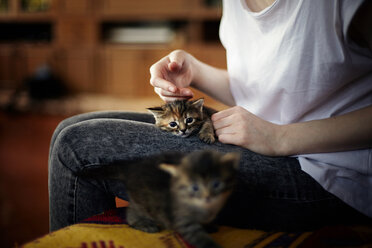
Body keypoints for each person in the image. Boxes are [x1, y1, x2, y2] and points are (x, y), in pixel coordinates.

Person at [49, 0, 372, 232]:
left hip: (329, 174)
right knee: (70, 127)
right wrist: (195, 70)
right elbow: (272, 91)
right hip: (265, 145)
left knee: (78, 144)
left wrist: (280, 137)